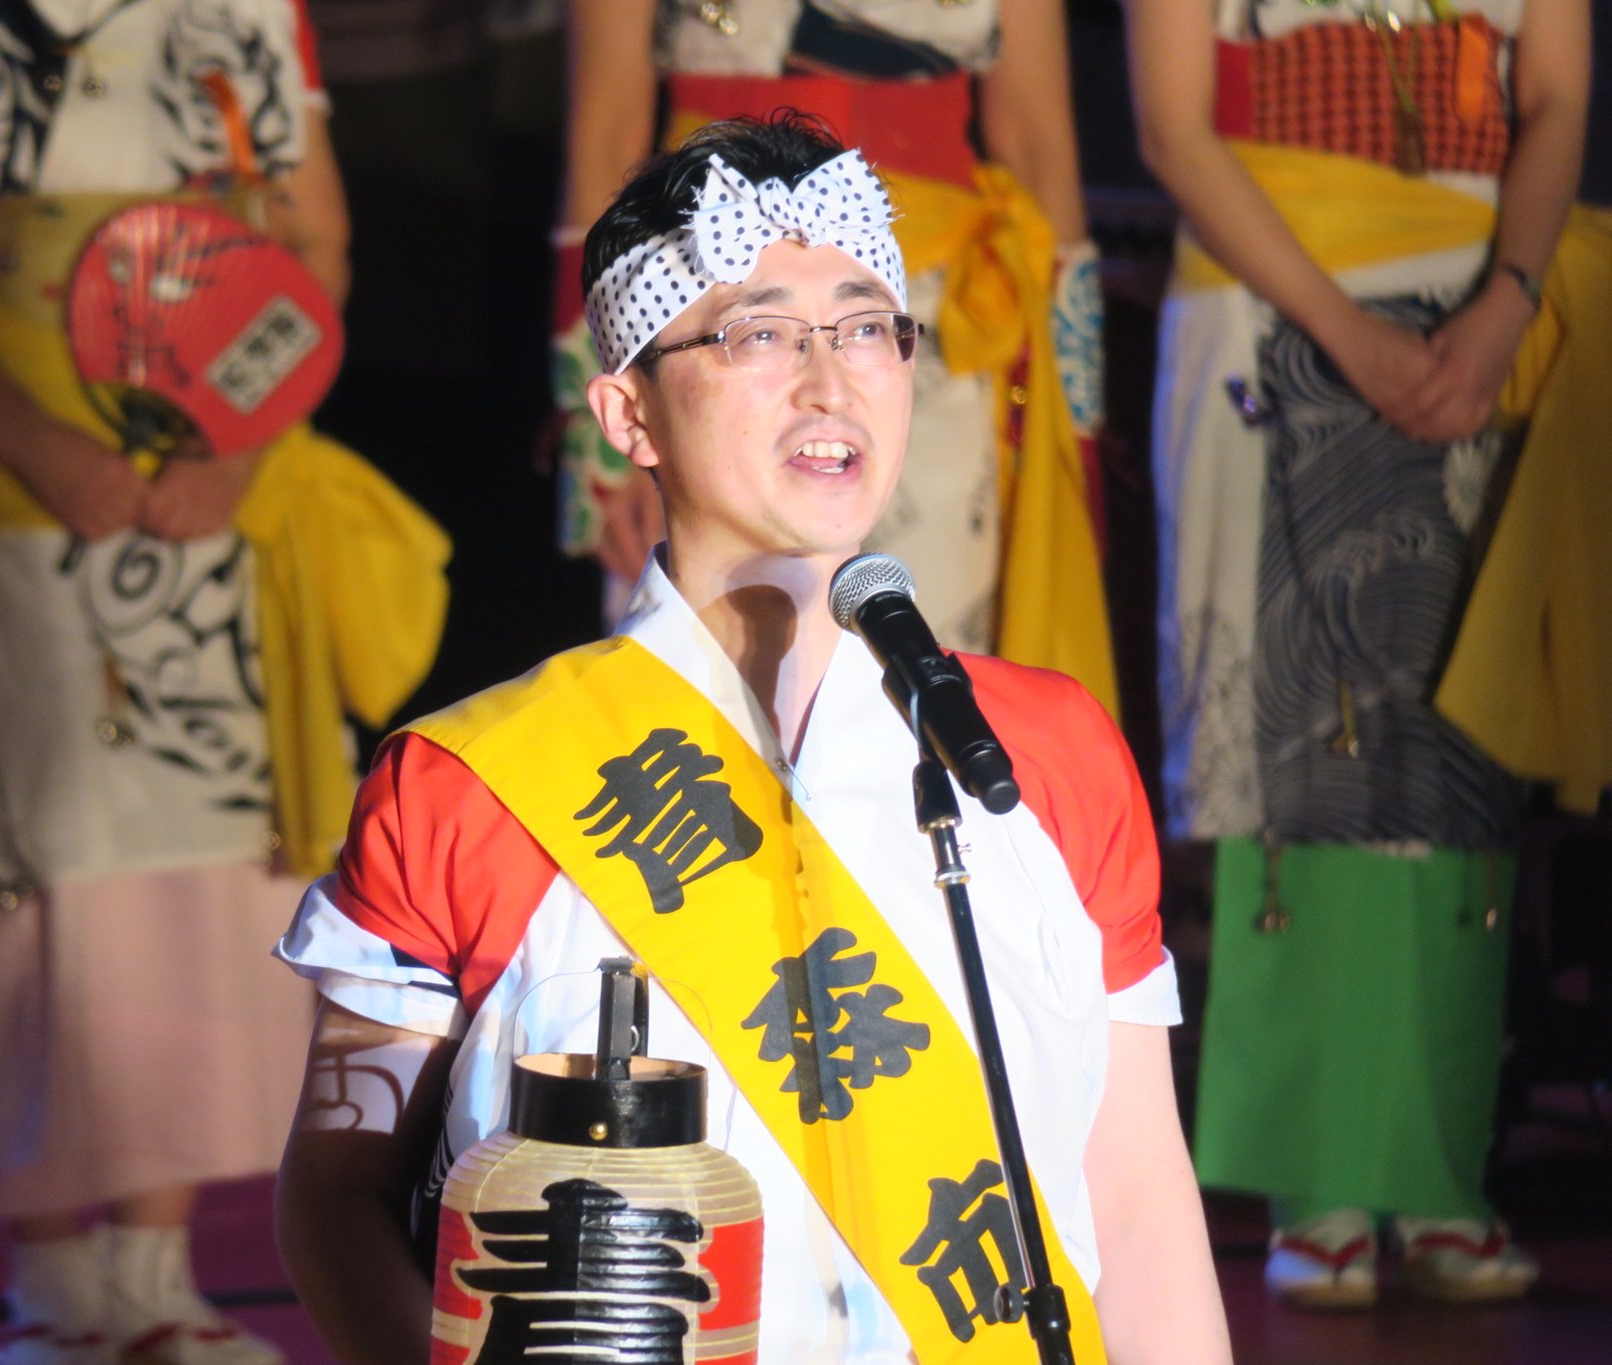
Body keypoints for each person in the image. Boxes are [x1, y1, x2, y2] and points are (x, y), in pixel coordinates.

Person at [275, 113, 1231, 1364]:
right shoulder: (469, 785)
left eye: (865, 328)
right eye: (760, 335)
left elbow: (1136, 1193)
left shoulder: (1037, 755)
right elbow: (336, 1201)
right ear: (626, 414)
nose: (830, 382)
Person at [0, 2, 448, 1362]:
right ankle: (53, 1285)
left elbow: (313, 241)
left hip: (212, 441)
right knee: (38, 855)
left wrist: (232, 447)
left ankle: (155, 1277)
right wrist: (35, 443)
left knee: (208, 866)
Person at [1127, 0, 1593, 1309]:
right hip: (1273, 292)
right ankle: (1313, 1181)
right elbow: (1170, 127)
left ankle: (1440, 1175)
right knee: (1305, 744)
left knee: (1456, 749)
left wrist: (1505, 302)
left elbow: (1554, 95)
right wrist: (1345, 330)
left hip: (1478, 303)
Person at [552, 0, 1119, 723]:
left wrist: (1076, 423)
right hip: (707, 313)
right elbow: (606, 128)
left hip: (931, 329)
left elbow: (1038, 142)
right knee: (694, 681)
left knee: (925, 667)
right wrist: (603, 452)